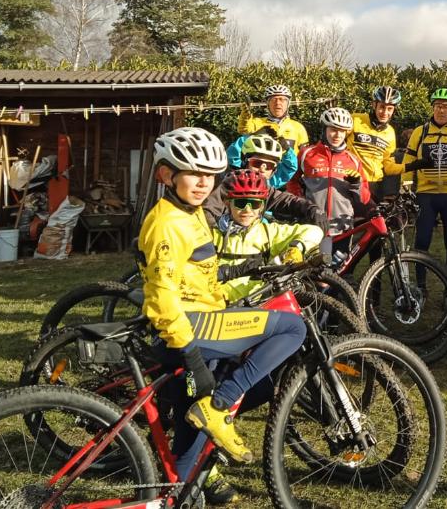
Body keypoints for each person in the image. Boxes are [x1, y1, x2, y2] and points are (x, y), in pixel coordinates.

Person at [137, 127, 306, 502]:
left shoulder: (192, 213)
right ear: (167, 175)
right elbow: (162, 296)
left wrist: (238, 272)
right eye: (193, 174)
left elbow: (200, 271)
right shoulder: (168, 223)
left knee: (190, 435)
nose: (203, 183)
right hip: (190, 328)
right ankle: (218, 405)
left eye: (210, 176)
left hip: (198, 320)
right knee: (293, 328)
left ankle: (174, 497)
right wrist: (192, 354)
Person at [213, 167, 325, 303]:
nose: (247, 210)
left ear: (261, 206)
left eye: (254, 204)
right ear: (227, 203)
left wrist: (297, 247)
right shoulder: (212, 234)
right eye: (240, 203)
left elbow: (313, 231)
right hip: (219, 303)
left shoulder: (268, 232)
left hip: (259, 303)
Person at [401, 87, 447, 280]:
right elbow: (407, 165)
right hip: (426, 195)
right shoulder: (420, 132)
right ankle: (420, 286)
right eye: (437, 106)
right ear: (433, 108)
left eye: (446, 107)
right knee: (422, 240)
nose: (441, 110)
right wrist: (406, 191)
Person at [287, 107, 370, 261]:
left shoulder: (352, 160)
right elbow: (292, 181)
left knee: (338, 273)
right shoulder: (307, 154)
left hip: (341, 227)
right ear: (325, 129)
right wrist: (301, 204)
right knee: (312, 271)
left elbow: (364, 198)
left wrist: (356, 184)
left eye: (342, 131)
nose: (337, 135)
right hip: (313, 224)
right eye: (333, 129)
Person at [348, 85, 407, 204]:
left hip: (376, 185)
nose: (385, 112)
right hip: (352, 180)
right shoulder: (355, 119)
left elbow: (388, 165)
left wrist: (413, 165)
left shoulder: (390, 132)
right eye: (382, 107)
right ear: (374, 105)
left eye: (389, 108)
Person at [239, 83, 310, 152]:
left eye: (282, 99)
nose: (278, 103)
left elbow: (304, 154)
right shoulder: (256, 123)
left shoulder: (298, 127)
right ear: (267, 104)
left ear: (288, 104)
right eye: (273, 100)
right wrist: (245, 117)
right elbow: (244, 129)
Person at [226, 128, 298, 187]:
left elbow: (290, 168)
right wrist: (249, 138)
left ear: (274, 170)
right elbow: (231, 156)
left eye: (269, 165)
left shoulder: (271, 183)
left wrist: (287, 151)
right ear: (245, 163)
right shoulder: (232, 181)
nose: (262, 169)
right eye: (256, 163)